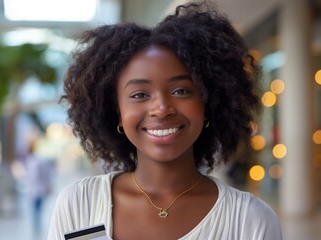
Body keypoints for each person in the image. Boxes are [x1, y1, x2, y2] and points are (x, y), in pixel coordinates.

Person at [48, 1, 282, 239]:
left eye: (181, 91)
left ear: (208, 103)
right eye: (139, 94)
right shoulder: (78, 205)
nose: (161, 108)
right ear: (116, 111)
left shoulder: (249, 221)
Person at [25, 141, 53, 235]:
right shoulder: (33, 160)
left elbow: (43, 175)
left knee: (36, 209)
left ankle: (37, 226)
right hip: (35, 189)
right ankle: (36, 226)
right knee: (36, 209)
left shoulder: (36, 161)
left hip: (38, 189)